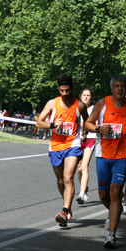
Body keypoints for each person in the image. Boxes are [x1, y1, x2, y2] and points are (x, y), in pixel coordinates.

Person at [85, 75, 126, 248]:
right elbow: (87, 123)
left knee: (115, 192)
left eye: (123, 86)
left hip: (123, 155)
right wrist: (98, 128)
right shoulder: (102, 104)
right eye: (117, 86)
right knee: (103, 194)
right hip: (103, 155)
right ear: (112, 88)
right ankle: (112, 211)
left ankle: (111, 234)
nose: (120, 89)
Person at [36, 75, 88, 227]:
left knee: (68, 178)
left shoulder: (80, 105)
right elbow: (39, 122)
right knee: (60, 180)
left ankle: (64, 211)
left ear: (72, 88)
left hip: (73, 144)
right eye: (62, 90)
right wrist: (52, 125)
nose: (65, 93)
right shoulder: (52, 103)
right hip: (56, 146)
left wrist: (84, 131)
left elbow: (88, 121)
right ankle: (68, 205)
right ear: (58, 89)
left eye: (68, 90)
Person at [76, 88, 96, 204]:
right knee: (79, 168)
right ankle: (84, 187)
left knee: (84, 166)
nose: (86, 97)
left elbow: (95, 122)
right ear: (80, 96)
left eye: (88, 95)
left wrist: (87, 125)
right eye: (84, 95)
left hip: (90, 138)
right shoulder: (76, 108)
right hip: (78, 139)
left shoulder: (94, 109)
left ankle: (82, 194)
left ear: (91, 98)